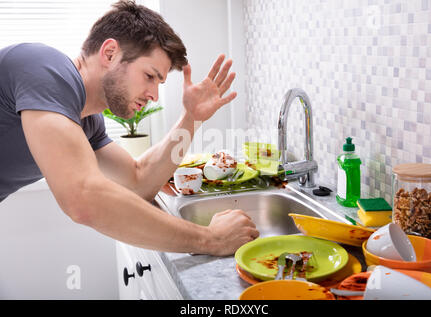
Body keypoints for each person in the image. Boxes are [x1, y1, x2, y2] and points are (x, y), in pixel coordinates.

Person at [0, 0, 259, 256]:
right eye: (149, 76)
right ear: (110, 53)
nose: (154, 95)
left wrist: (191, 119)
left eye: (159, 83)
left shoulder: (87, 123)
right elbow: (83, 197)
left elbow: (138, 181)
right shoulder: (43, 68)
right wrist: (210, 239)